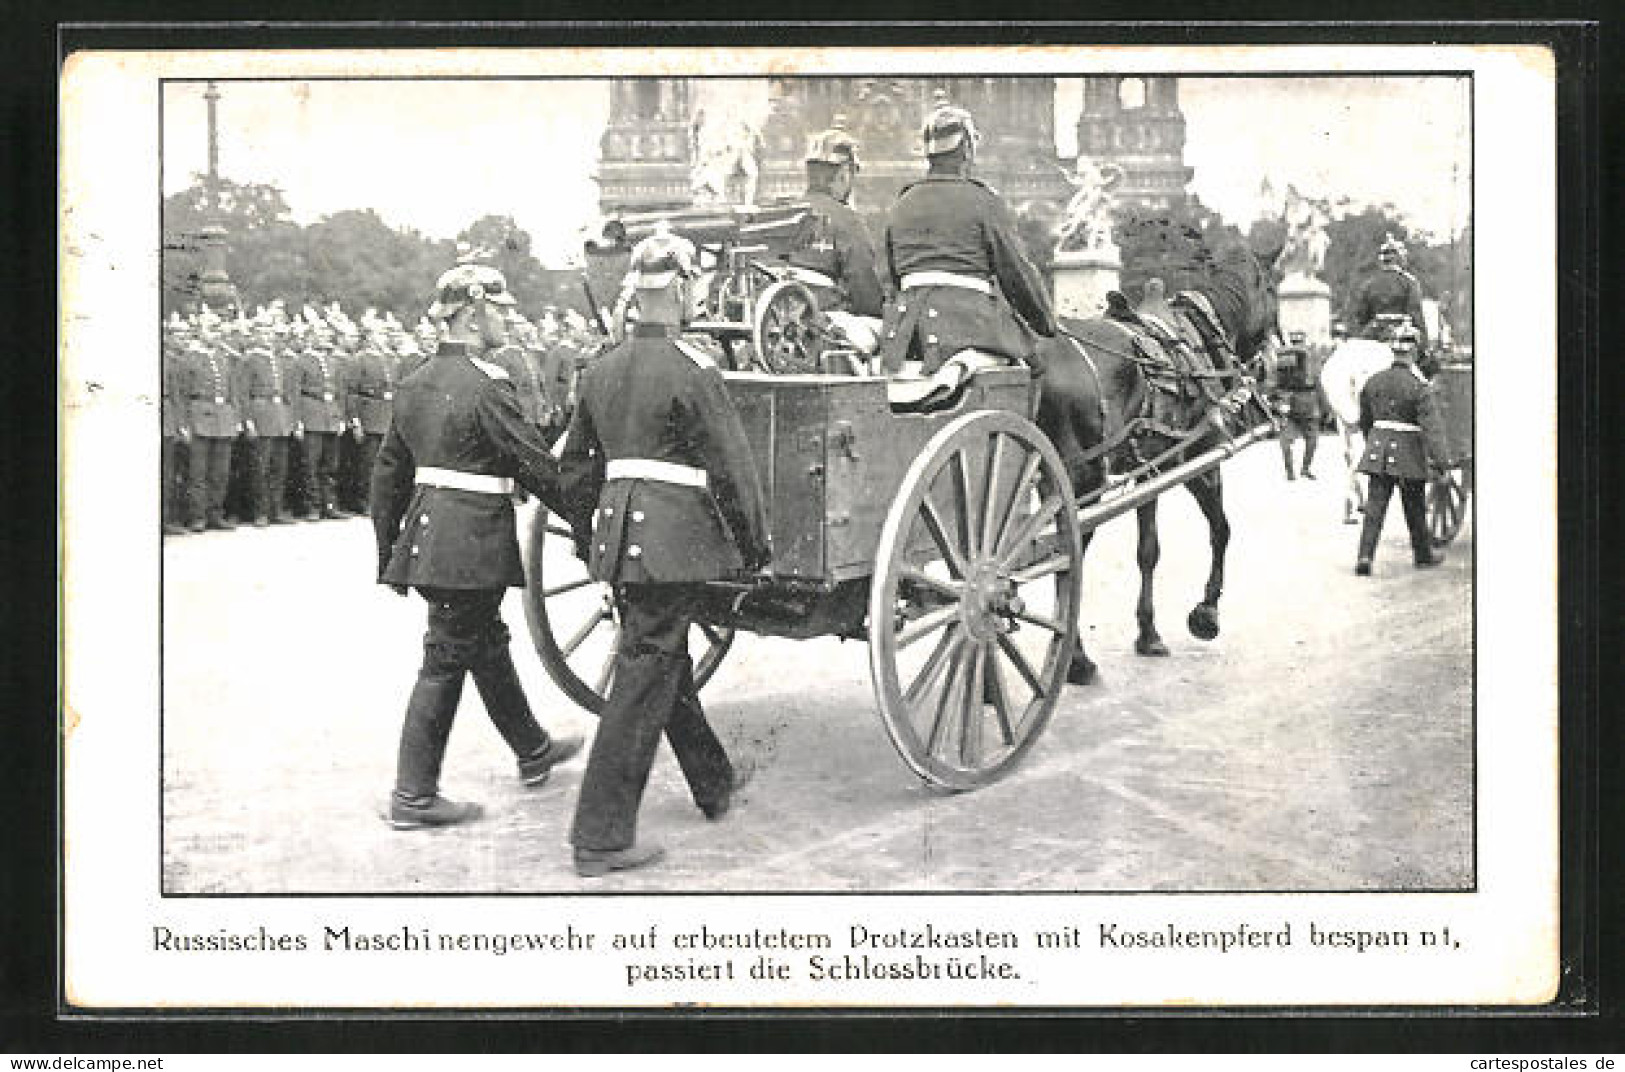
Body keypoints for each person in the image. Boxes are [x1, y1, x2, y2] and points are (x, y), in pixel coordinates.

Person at [558, 229, 770, 877]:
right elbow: (731, 468)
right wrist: (752, 547)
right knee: (645, 667)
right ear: (678, 289)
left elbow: (574, 472)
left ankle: (712, 780)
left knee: (659, 654)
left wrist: (586, 538)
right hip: (675, 542)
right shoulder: (693, 369)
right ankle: (600, 834)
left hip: (622, 540)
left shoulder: (600, 370)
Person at [370, 263, 584, 830]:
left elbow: (388, 473)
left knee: (485, 643)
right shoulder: (489, 385)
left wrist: (388, 551)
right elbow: (536, 466)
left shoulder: (414, 382)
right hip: (470, 545)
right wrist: (590, 522)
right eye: (501, 308)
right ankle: (413, 795)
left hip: (431, 544)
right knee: (446, 656)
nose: (510, 317)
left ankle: (533, 750)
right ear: (472, 312)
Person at [876, 100, 1057, 385]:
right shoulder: (984, 201)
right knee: (1038, 364)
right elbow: (1016, 272)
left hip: (908, 335)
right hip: (970, 326)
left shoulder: (902, 204)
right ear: (967, 151)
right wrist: (1046, 322)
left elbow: (888, 277)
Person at [1354, 325, 1447, 575]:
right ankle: (1423, 555)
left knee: (1374, 509)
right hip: (1409, 455)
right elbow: (1432, 429)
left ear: (1393, 351)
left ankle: (1365, 557)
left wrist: (1373, 442)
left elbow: (1364, 420)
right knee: (1414, 508)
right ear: (1414, 352)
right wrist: (1441, 462)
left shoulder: (1373, 381)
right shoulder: (1420, 387)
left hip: (1378, 452)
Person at [787, 127, 885, 321]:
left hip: (777, 323)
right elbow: (866, 295)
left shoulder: (783, 213)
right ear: (844, 173)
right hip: (826, 325)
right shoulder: (848, 221)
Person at [177, 336, 246, 531]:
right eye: (210, 331)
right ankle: (197, 517)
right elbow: (182, 394)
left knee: (220, 472)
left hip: (224, 417)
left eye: (217, 331)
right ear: (200, 333)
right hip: (200, 415)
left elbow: (234, 393)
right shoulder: (190, 359)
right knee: (198, 472)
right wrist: (184, 423)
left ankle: (215, 514)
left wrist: (236, 419)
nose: (214, 336)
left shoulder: (223, 358)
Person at [294, 331, 356, 520]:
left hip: (331, 416)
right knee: (311, 464)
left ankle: (329, 505)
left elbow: (340, 393)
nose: (323, 339)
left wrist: (341, 418)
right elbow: (295, 392)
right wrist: (298, 420)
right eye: (319, 335)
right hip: (311, 414)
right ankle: (312, 507)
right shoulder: (302, 361)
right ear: (310, 338)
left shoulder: (333, 362)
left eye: (326, 336)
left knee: (330, 465)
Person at [238, 336, 298, 525]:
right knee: (260, 469)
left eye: (278, 335)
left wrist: (291, 419)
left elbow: (290, 393)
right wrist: (248, 420)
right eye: (265, 332)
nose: (272, 338)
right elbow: (243, 392)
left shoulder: (281, 360)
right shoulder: (250, 360)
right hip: (261, 414)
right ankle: (260, 512)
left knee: (279, 468)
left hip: (280, 416)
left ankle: (276, 510)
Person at [1350, 234, 1428, 351]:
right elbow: (1416, 314)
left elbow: (1361, 316)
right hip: (1401, 335)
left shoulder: (1369, 284)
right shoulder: (1409, 282)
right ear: (1400, 259)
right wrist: (1423, 345)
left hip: (1373, 334)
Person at [1270, 330, 1323, 480]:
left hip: (1292, 399)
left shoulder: (1283, 354)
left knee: (1289, 439)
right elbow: (1317, 380)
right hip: (1306, 400)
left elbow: (1276, 380)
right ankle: (1301, 469)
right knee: (1309, 439)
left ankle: (1294, 471)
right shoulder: (1309, 353)